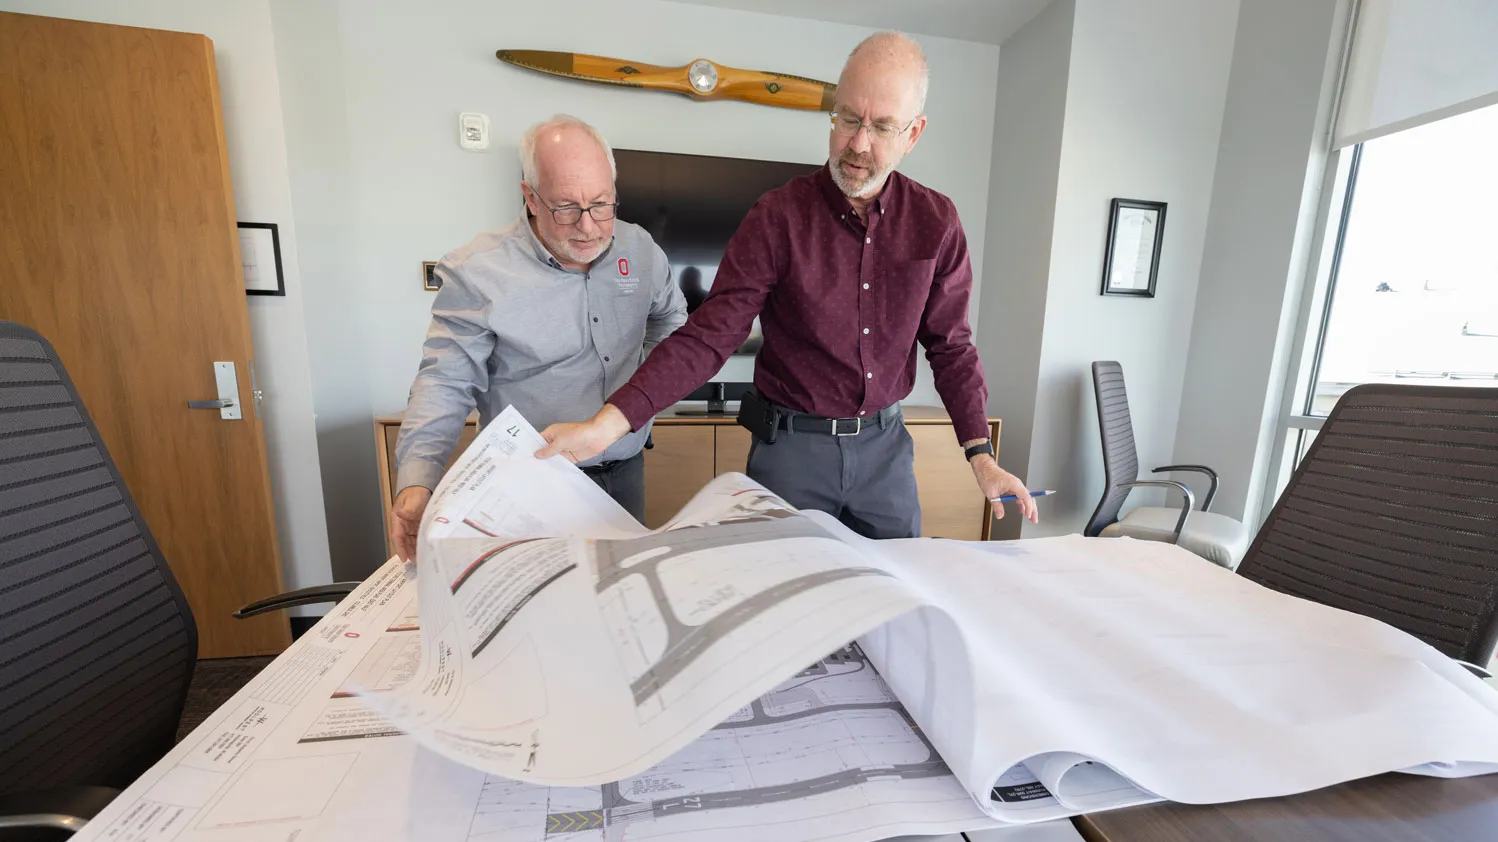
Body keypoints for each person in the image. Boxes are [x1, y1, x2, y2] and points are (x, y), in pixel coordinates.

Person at [535, 33, 1037, 538]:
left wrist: (981, 455)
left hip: (886, 454)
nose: (858, 144)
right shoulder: (778, 216)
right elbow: (711, 336)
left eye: (882, 126)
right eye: (847, 119)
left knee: (891, 592)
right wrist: (610, 422)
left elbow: (951, 345)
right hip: (794, 454)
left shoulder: (936, 220)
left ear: (913, 133)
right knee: (785, 594)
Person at [388, 114, 687, 560]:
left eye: (602, 204)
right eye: (566, 207)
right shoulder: (478, 270)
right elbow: (445, 382)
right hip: (530, 484)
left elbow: (673, 325)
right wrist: (417, 480)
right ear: (530, 196)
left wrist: (643, 399)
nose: (587, 226)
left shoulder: (640, 248)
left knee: (618, 602)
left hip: (625, 470)